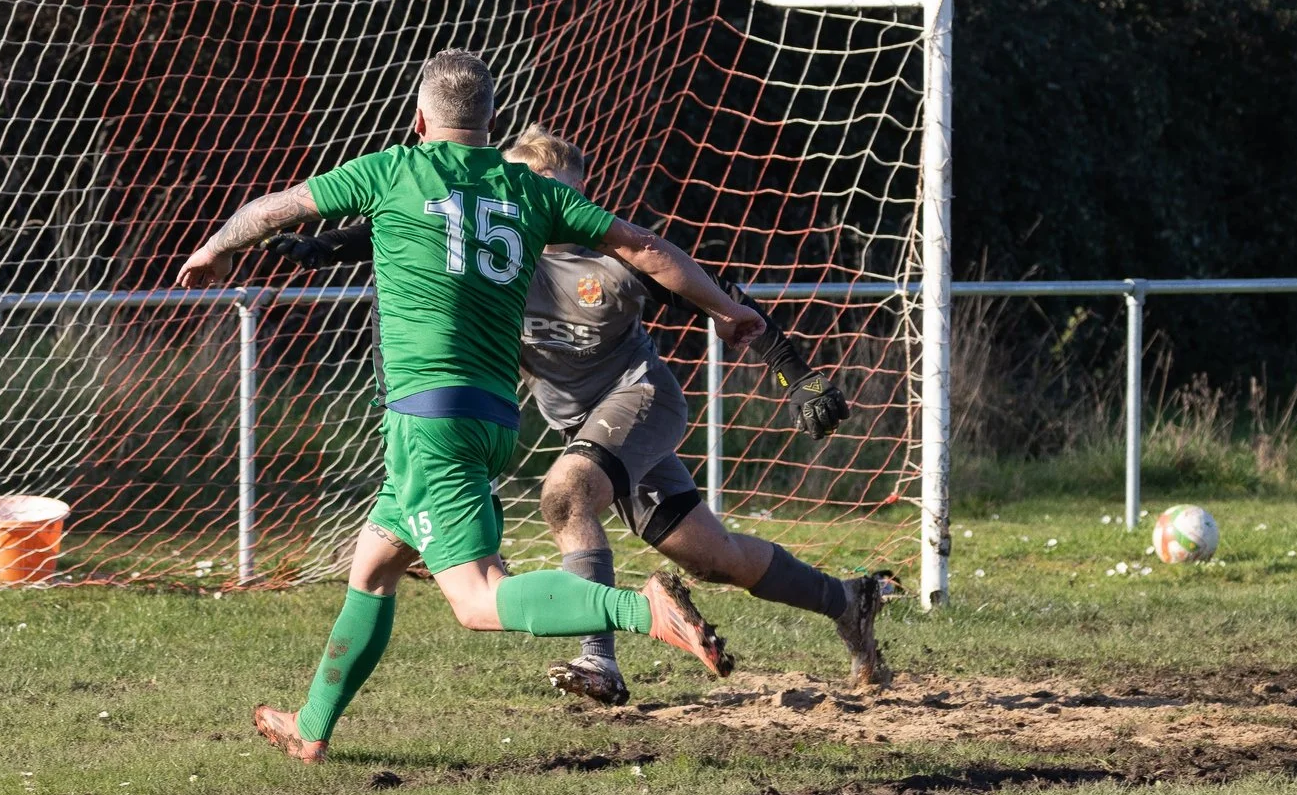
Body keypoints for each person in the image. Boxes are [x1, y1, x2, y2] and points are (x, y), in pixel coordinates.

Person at [175, 50, 766, 763]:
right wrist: (726, 308)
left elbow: (274, 210)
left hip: (428, 420)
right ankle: (312, 726)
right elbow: (641, 245)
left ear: (420, 117)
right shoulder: (529, 190)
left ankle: (645, 613)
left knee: (478, 599)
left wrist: (215, 248)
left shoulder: (393, 169)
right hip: (491, 416)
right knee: (373, 568)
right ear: (490, 123)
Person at [270, 123, 894, 705]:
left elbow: (723, 297)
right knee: (711, 555)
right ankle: (847, 599)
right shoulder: (492, 263)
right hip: (583, 426)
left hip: (638, 399)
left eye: (544, 194)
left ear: (572, 196)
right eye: (514, 191)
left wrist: (792, 370)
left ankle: (599, 660)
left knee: (567, 492)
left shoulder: (611, 261)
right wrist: (324, 245)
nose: (523, 206)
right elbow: (408, 224)